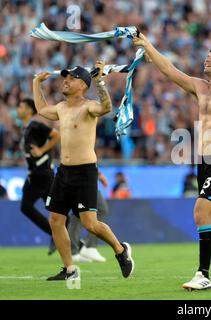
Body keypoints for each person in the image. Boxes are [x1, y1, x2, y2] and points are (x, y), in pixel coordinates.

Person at [133, 33, 211, 291]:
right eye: (207, 55)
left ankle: (203, 274)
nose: (207, 59)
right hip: (204, 162)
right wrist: (148, 45)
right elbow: (169, 69)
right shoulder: (200, 87)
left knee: (201, 212)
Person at [33, 63, 134, 281]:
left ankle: (120, 249)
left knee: (90, 223)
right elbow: (41, 109)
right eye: (65, 77)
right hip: (64, 172)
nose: (65, 81)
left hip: (85, 172)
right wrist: (36, 83)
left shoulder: (89, 106)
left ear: (82, 84)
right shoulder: (61, 107)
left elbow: (106, 108)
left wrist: (99, 81)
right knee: (56, 220)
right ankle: (70, 270)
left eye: (71, 78)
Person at [16, 98, 60, 255]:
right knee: (51, 209)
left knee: (31, 207)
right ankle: (60, 235)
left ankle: (60, 235)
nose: (18, 109)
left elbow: (56, 136)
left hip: (42, 174)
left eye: (21, 106)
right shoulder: (26, 129)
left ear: (29, 110)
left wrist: (42, 151)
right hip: (35, 174)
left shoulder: (35, 125)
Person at [68, 171, 109, 263]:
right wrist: (99, 174)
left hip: (83, 176)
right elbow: (83, 157)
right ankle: (86, 246)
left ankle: (79, 249)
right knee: (99, 208)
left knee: (78, 214)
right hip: (82, 177)